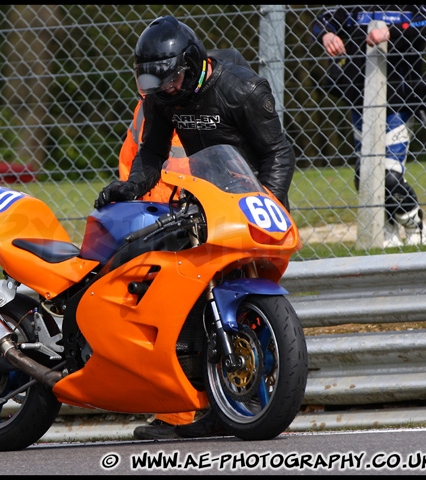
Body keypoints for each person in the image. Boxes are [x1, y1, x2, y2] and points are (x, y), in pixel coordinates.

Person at [96, 16, 297, 439]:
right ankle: (198, 408)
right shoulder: (161, 96)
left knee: (246, 303)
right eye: (154, 82)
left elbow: (278, 151)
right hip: (204, 203)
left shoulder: (242, 89)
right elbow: (150, 153)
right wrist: (130, 186)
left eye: (170, 80)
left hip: (254, 201)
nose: (163, 89)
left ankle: (250, 395)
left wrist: (267, 202)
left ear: (190, 64)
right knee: (189, 299)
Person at [311, 5, 426, 247]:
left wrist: (393, 31)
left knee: (389, 176)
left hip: (399, 101)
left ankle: (414, 223)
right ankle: (387, 232)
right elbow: (323, 19)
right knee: (365, 174)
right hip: (360, 100)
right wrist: (327, 35)